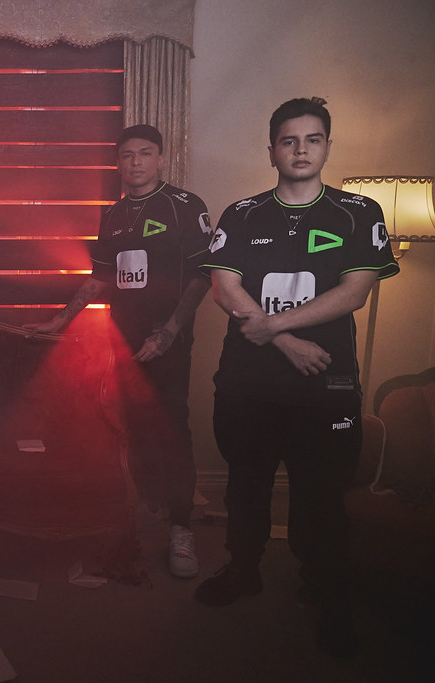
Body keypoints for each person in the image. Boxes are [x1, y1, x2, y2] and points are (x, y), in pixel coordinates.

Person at [195, 97, 399, 657]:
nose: (301, 150)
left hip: (324, 387)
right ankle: (243, 570)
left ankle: (328, 593)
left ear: (327, 147)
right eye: (289, 141)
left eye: (312, 139)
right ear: (272, 151)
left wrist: (272, 324)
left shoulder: (359, 212)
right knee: (246, 486)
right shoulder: (241, 214)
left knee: (321, 498)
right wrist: (283, 338)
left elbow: (355, 292)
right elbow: (224, 287)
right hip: (247, 385)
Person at [26, 125, 213, 578]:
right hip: (124, 341)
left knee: (172, 429)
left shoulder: (185, 206)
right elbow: (100, 278)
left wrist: (168, 332)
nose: (136, 163)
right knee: (134, 427)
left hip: (167, 341)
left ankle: (181, 527)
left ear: (161, 158)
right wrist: (60, 320)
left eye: (145, 153)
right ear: (118, 164)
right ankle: (149, 509)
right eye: (127, 155)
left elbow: (202, 275)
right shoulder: (112, 215)